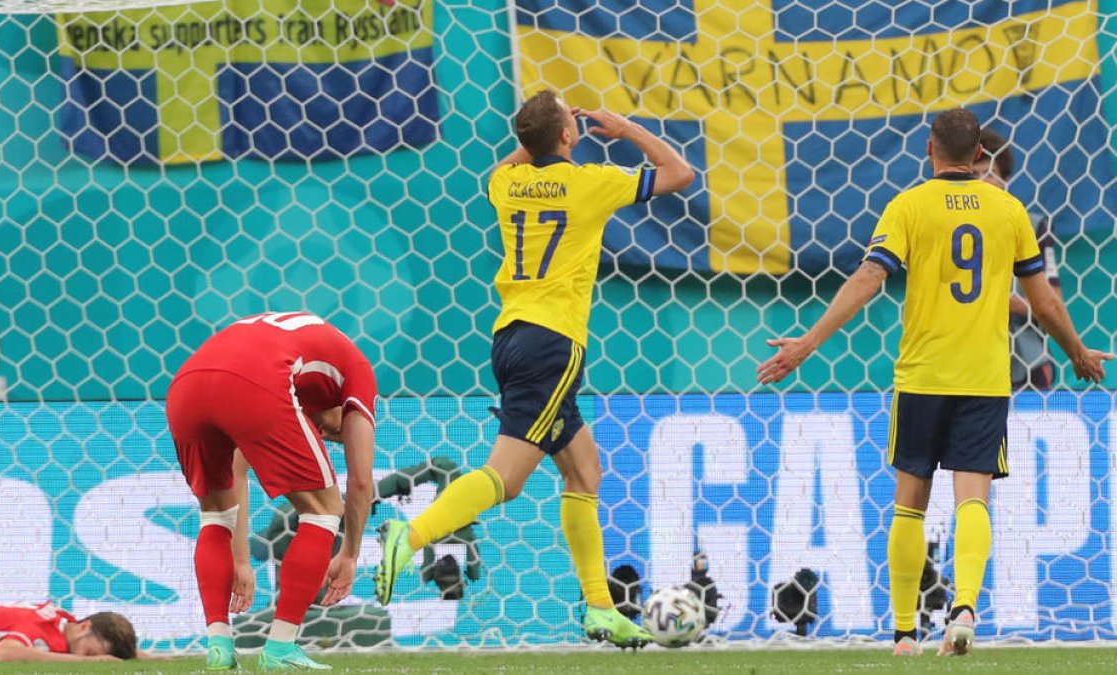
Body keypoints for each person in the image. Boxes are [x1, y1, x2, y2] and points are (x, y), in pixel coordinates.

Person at [756, 108, 1111, 656]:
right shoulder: (1009, 210)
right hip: (985, 378)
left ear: (929, 150)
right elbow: (1043, 300)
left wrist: (807, 343)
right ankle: (964, 607)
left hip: (923, 375)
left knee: (909, 502)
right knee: (973, 498)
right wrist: (1078, 351)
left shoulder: (909, 206)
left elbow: (869, 277)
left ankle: (903, 636)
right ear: (977, 157)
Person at [373, 89, 694, 648]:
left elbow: (510, 162)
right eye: (571, 122)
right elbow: (680, 172)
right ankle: (412, 533)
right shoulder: (592, 182)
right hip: (554, 344)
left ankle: (600, 609)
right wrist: (625, 128)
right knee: (507, 479)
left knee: (584, 471)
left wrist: (540, 135)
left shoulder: (507, 184)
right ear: (570, 136)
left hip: (510, 335)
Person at [167, 311, 378, 670]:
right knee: (324, 510)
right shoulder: (358, 375)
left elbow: (237, 471)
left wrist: (241, 561)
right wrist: (350, 554)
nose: (325, 435)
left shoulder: (294, 351)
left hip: (185, 385)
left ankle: (219, 645)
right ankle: (280, 648)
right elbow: (360, 480)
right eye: (336, 434)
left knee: (215, 515)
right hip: (252, 380)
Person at [973, 127, 1064, 390]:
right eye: (974, 174)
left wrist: (1016, 305)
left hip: (1027, 362)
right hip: (971, 363)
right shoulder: (949, 229)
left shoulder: (1033, 226)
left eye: (989, 173)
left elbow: (1054, 305)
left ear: (1006, 179)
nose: (982, 181)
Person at [0, 601, 136, 663]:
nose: (83, 657)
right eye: (89, 653)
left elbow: (111, 642)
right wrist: (85, 663)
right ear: (84, 627)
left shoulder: (61, 619)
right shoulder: (38, 628)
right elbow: (6, 652)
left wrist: (139, 654)